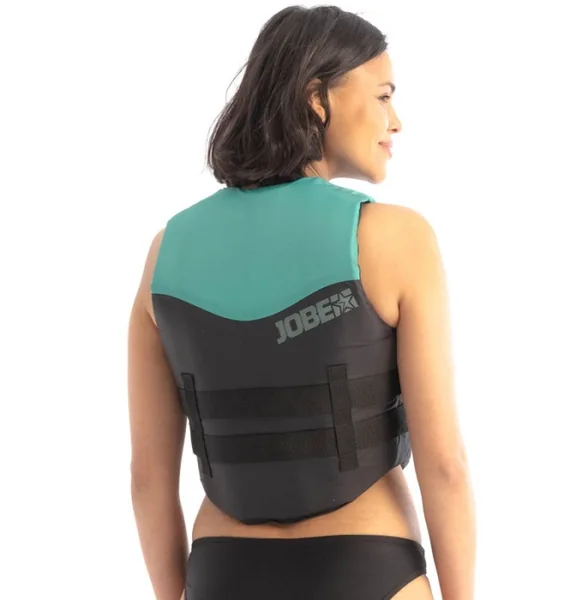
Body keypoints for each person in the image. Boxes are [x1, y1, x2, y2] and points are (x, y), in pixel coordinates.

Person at [128, 5, 476, 600]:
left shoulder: (166, 252)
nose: (396, 121)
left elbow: (147, 479)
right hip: (366, 566)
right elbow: (443, 464)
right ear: (317, 98)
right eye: (384, 96)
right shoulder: (393, 238)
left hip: (223, 571)